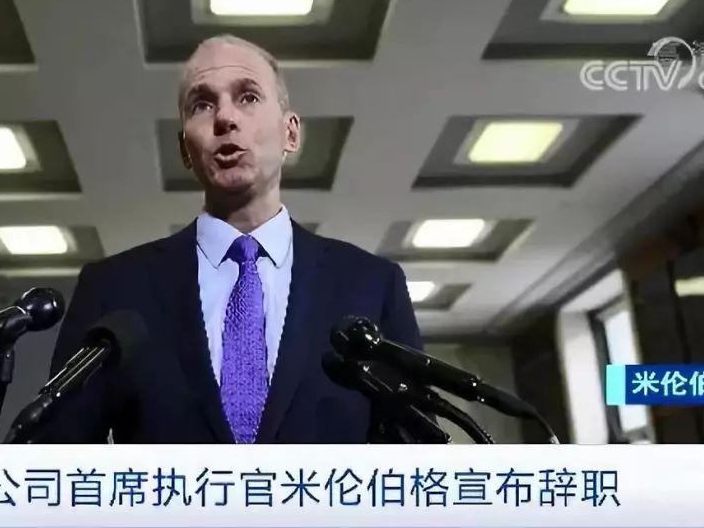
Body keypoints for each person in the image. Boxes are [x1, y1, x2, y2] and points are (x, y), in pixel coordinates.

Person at [44, 35, 421, 444]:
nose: (224, 117)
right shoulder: (113, 289)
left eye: (248, 97)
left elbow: (414, 456)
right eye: (202, 105)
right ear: (185, 149)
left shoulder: (372, 285)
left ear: (290, 133)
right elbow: (60, 457)